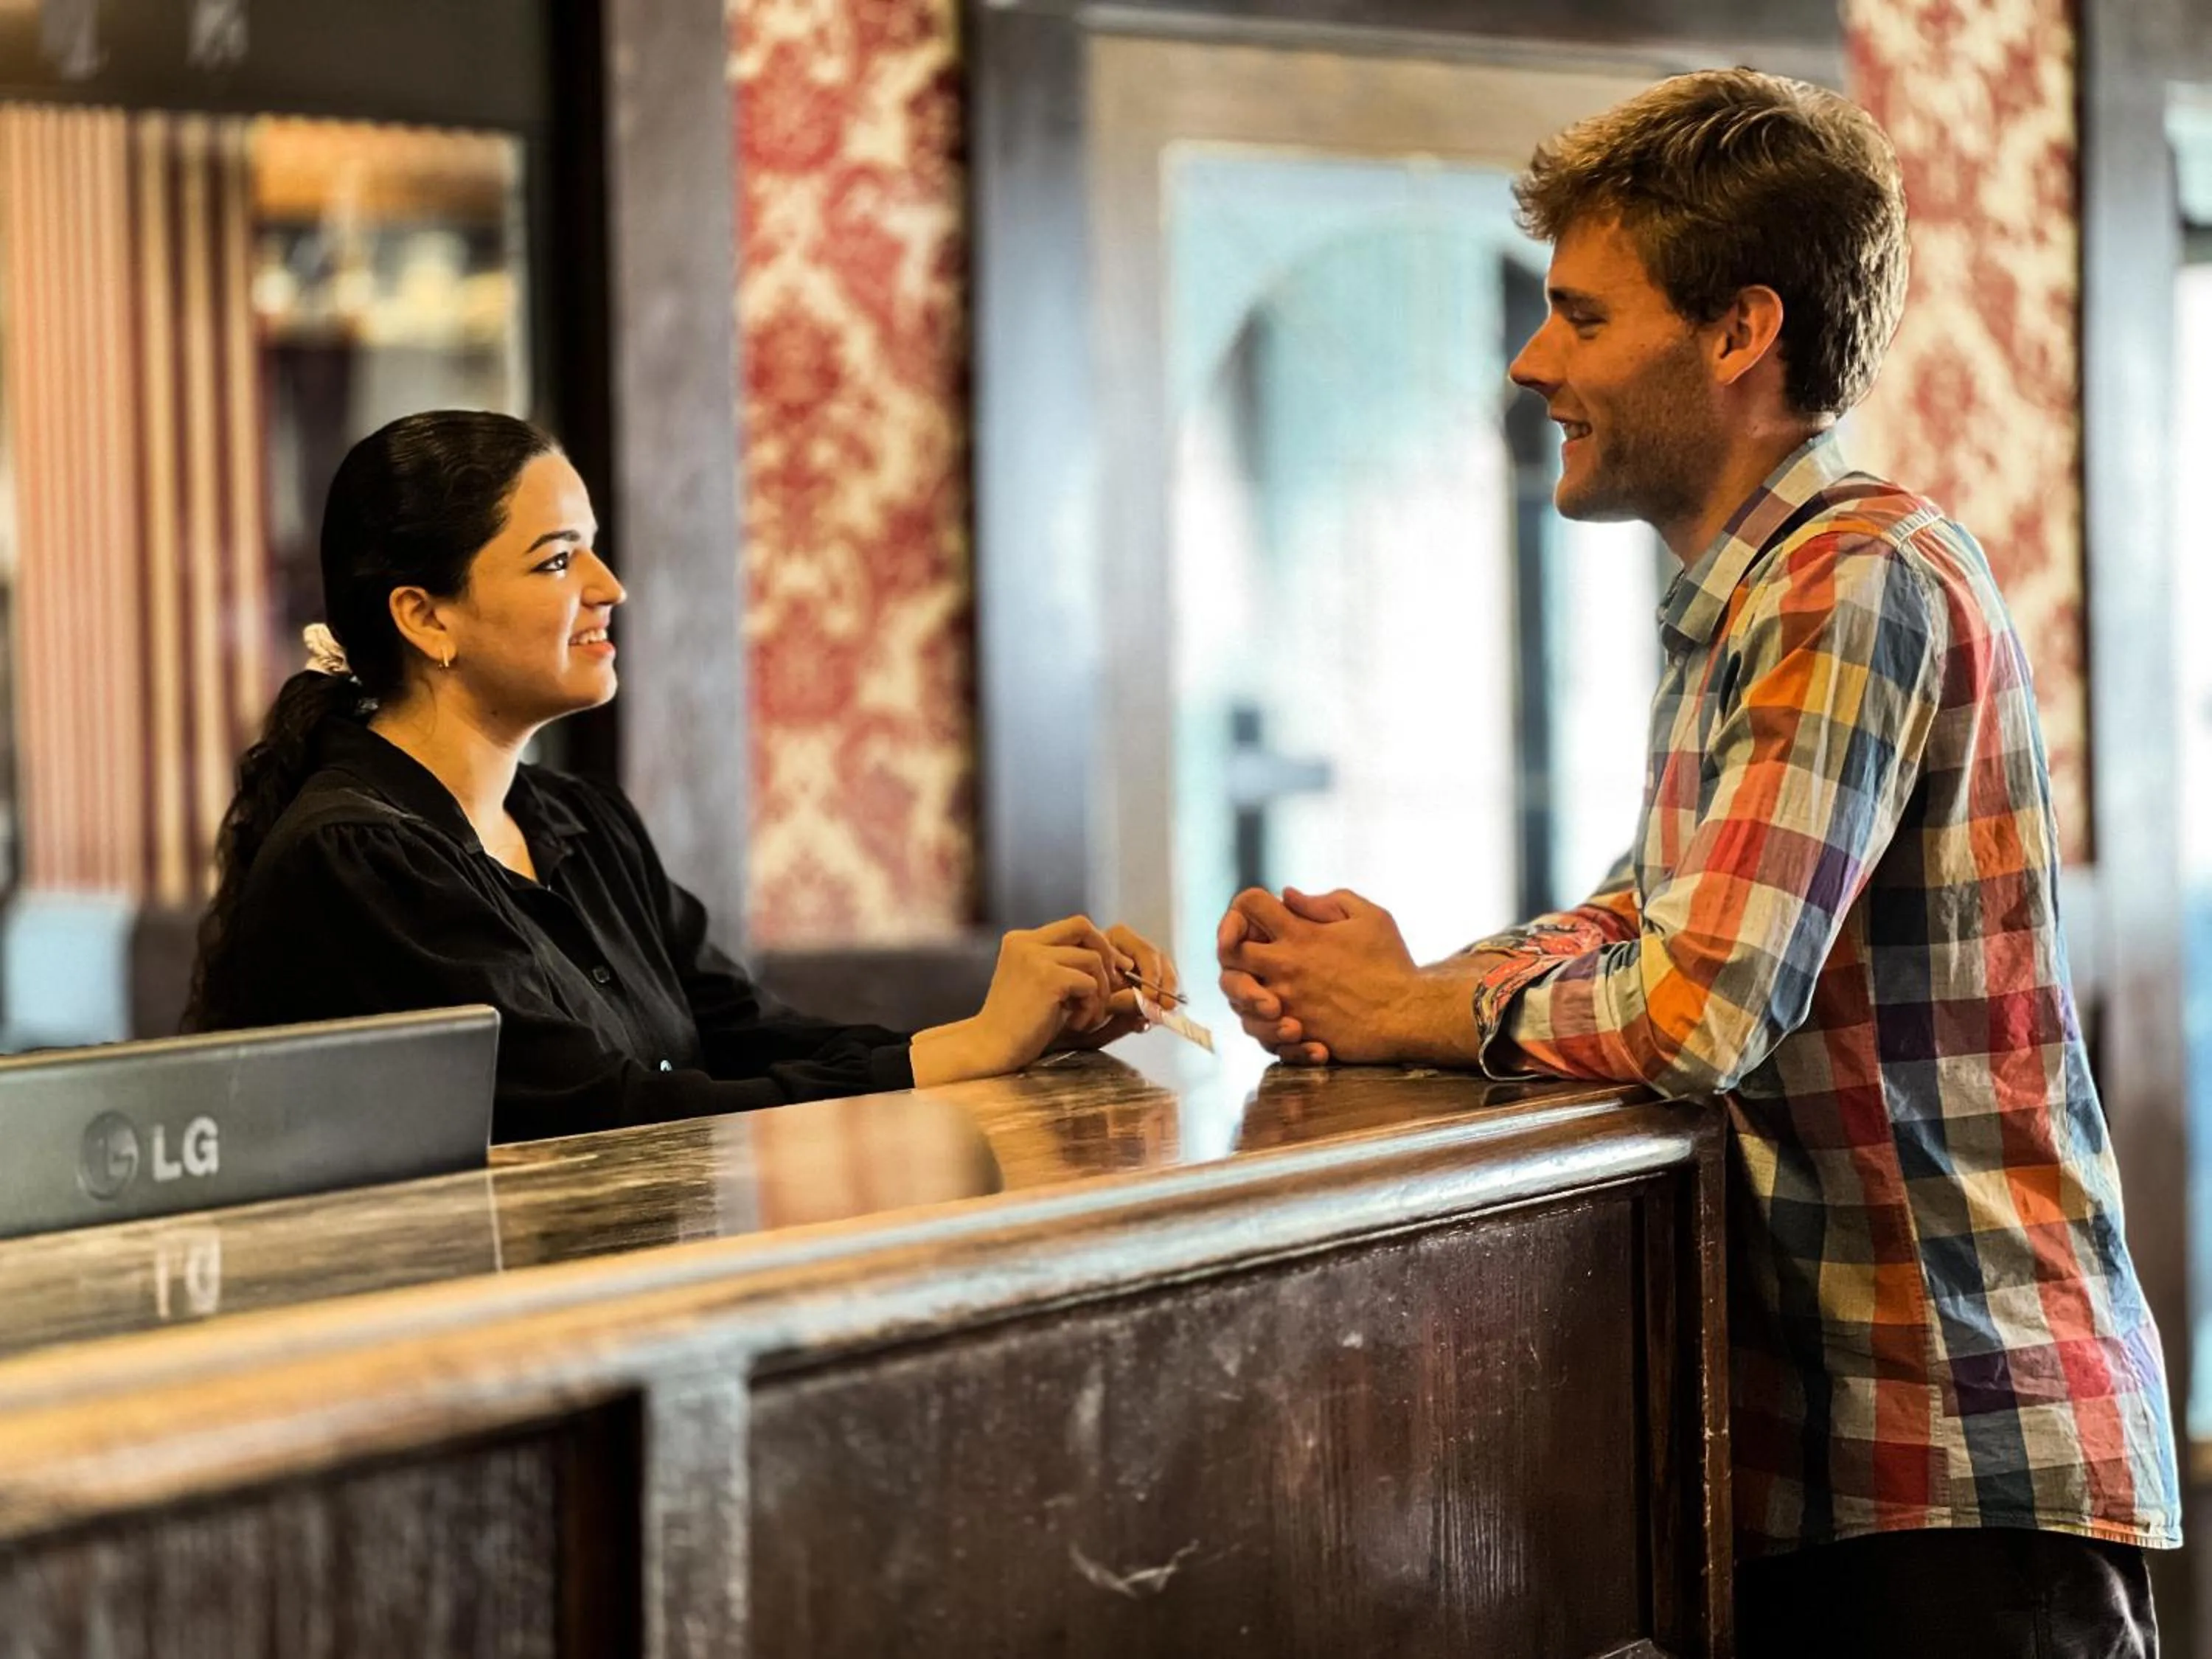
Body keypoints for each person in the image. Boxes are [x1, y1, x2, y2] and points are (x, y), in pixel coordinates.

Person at [1214, 70, 2177, 1657]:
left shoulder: (1846, 581)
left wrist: (1408, 1012)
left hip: (1950, 1469)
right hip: (1878, 1470)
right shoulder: (1763, 596)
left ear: (1740, 333)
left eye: (1582, 320)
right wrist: (1406, 981)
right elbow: (1642, 921)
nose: (1532, 363)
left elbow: (1698, 1006)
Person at [187, 410, 1177, 1142]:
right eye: (557, 561)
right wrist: (962, 1054)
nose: (608, 588)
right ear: (426, 616)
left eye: (596, 551)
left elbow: (742, 1037)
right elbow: (607, 1114)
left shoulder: (582, 824)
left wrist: (1021, 1030)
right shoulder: (355, 858)